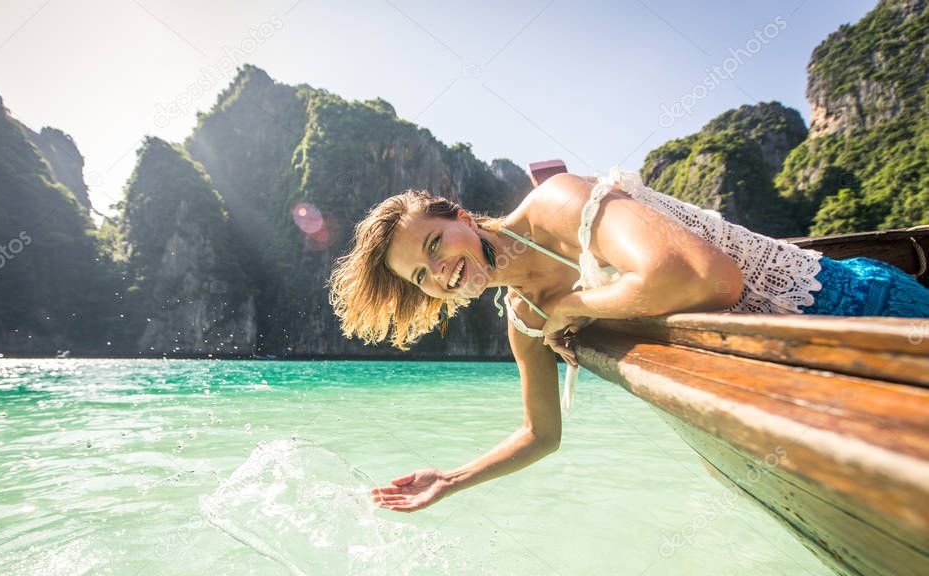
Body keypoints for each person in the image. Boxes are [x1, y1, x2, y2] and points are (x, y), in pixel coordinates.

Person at [327, 166, 929, 512]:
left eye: (435, 244)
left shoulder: (555, 206)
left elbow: (706, 278)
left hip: (854, 313)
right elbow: (541, 434)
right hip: (799, 380)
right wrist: (451, 480)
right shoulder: (524, 320)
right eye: (422, 276)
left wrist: (570, 305)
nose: (440, 271)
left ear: (457, 214)